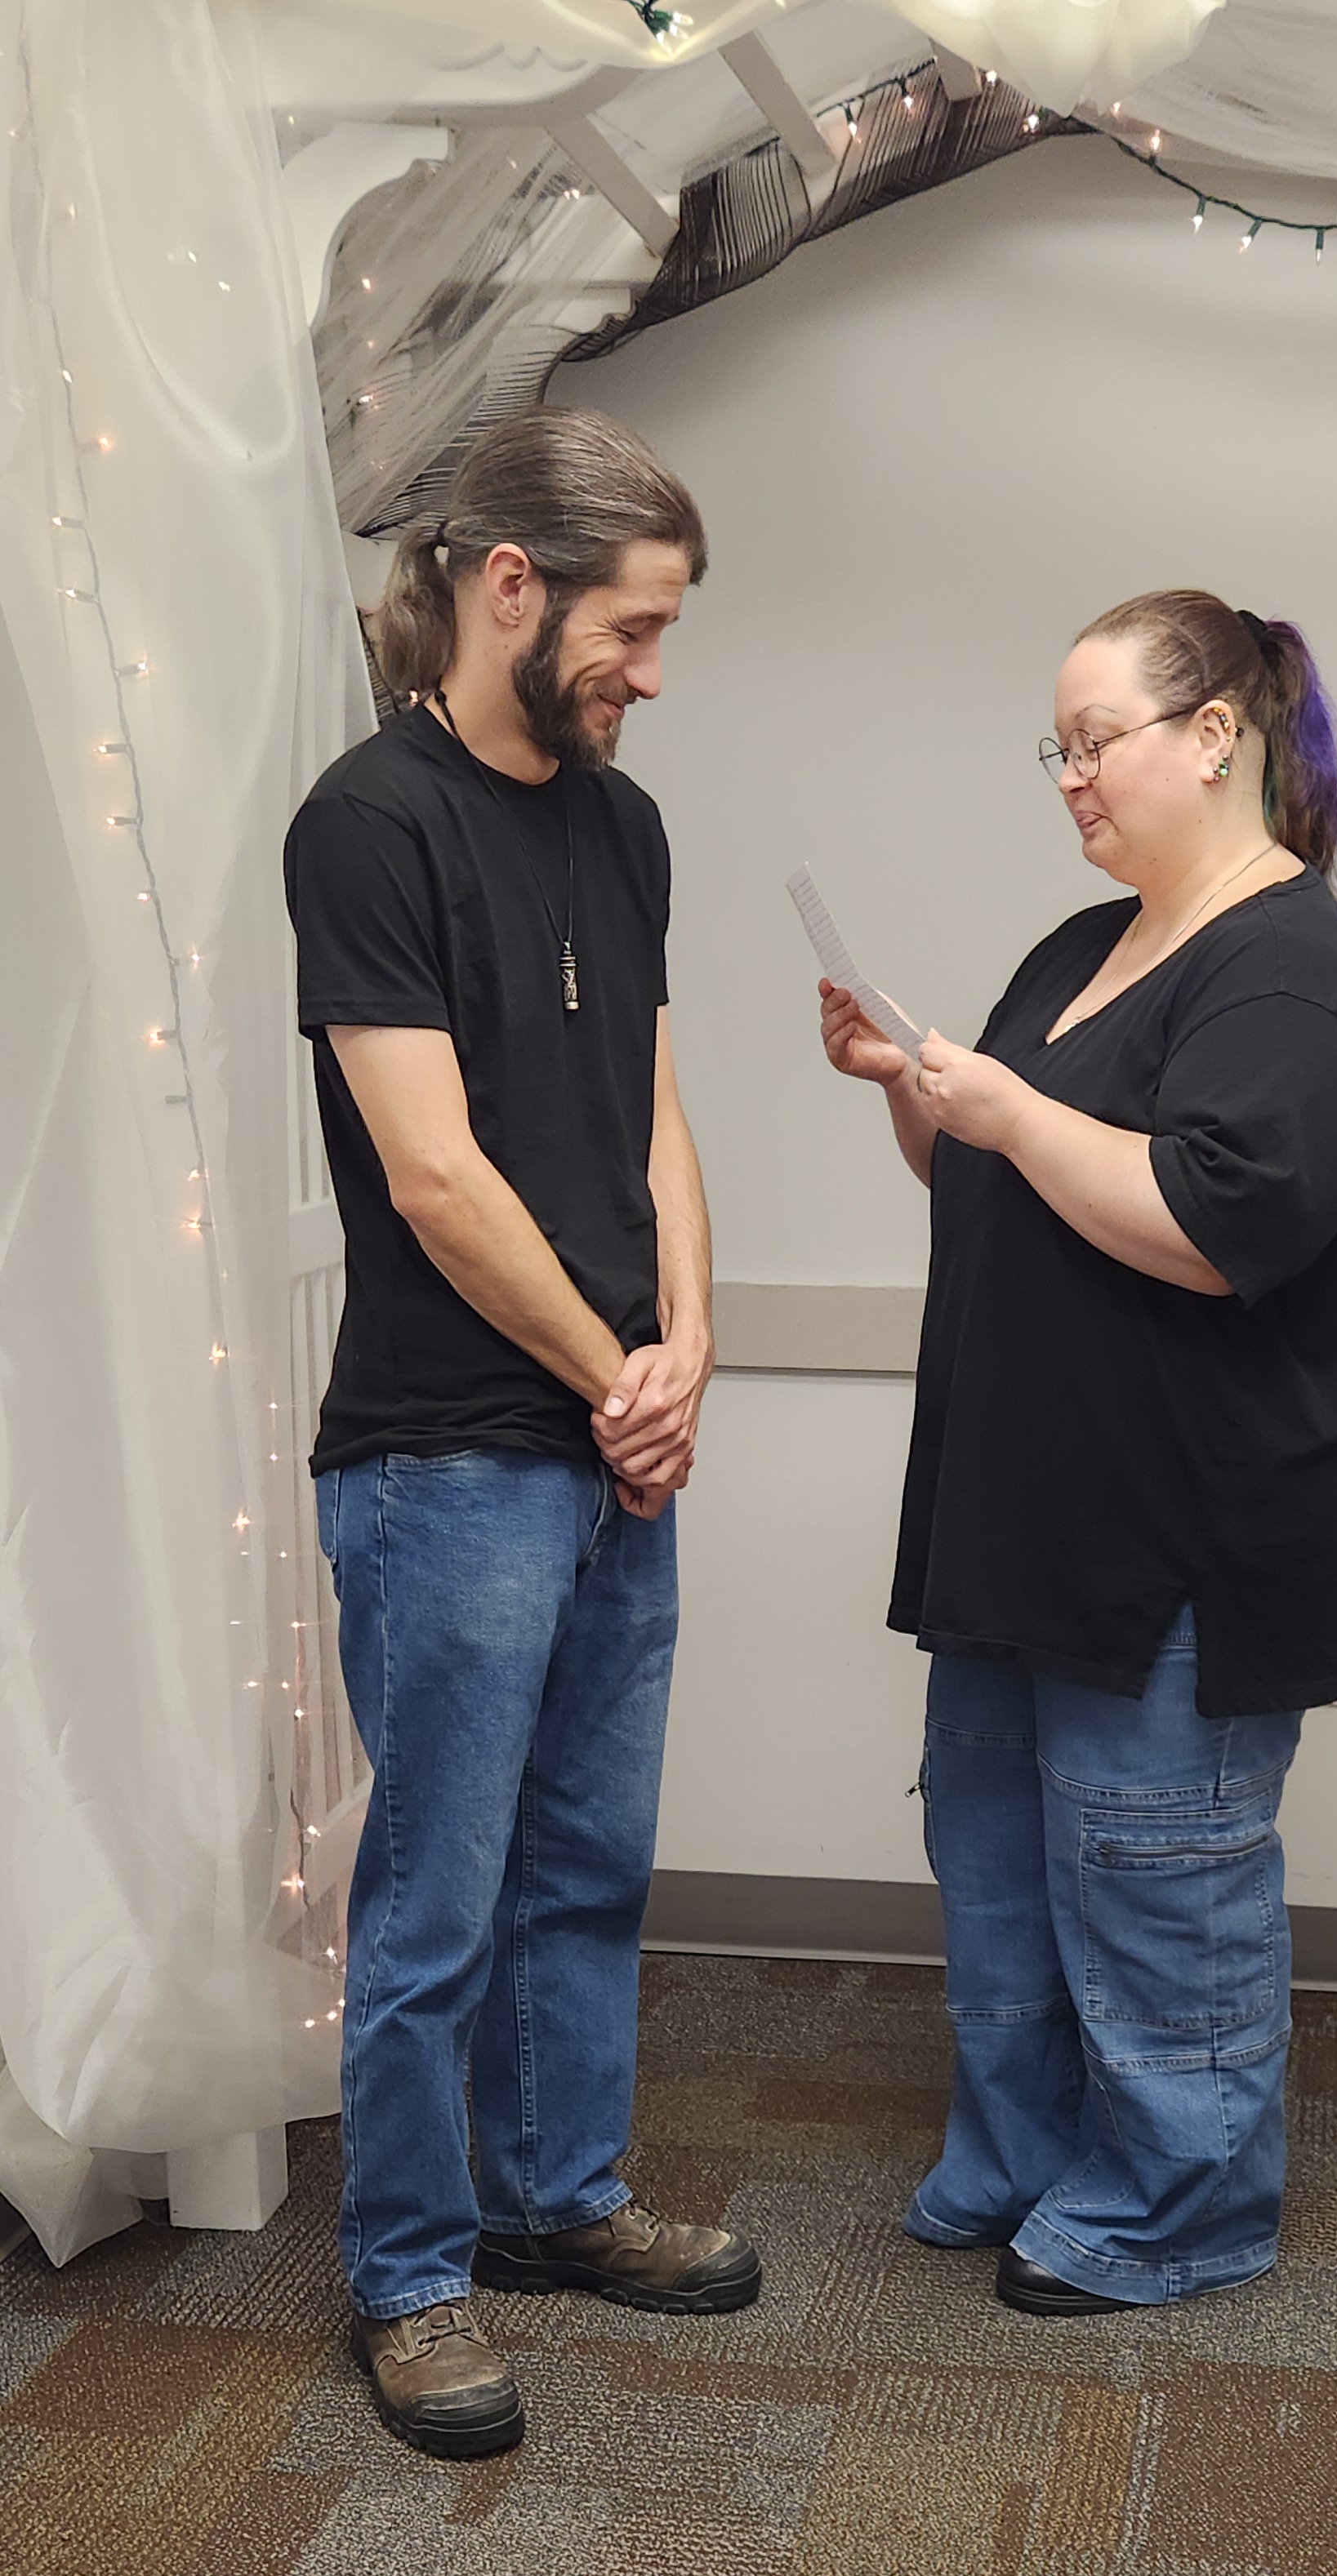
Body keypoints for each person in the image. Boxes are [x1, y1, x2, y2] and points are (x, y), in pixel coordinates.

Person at [820, 590, 1337, 2316]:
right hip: (1027, 1517)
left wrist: (1004, 1105)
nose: (1070, 777)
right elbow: (993, 1175)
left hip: (1188, 1535)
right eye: (1058, 746)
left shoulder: (1290, 972)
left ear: (1216, 738)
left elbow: (1215, 1221)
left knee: (1156, 1877)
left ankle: (1181, 2200)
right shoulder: (1082, 947)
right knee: (1001, 1858)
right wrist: (910, 1087)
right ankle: (1023, 2148)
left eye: (1098, 739)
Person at [284, 406, 760, 2461]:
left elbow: (651, 1114)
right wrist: (609, 1367)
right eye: (629, 630)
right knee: (438, 1897)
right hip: (444, 1455)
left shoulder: (624, 827)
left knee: (584, 1868)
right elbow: (434, 1174)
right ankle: (410, 2273)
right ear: (509, 583)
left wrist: (692, 1347)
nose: (647, 673)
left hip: (606, 1440)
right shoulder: (365, 823)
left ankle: (560, 2200)